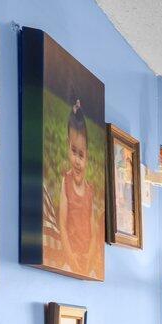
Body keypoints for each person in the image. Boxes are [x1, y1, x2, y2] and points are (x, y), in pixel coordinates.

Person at [57, 99, 102, 276]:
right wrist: (71, 258)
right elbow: (62, 224)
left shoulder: (90, 190)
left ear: (87, 156)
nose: (77, 160)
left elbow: (93, 231)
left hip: (87, 263)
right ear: (68, 147)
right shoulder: (66, 182)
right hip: (71, 260)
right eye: (74, 152)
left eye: (81, 155)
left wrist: (89, 257)